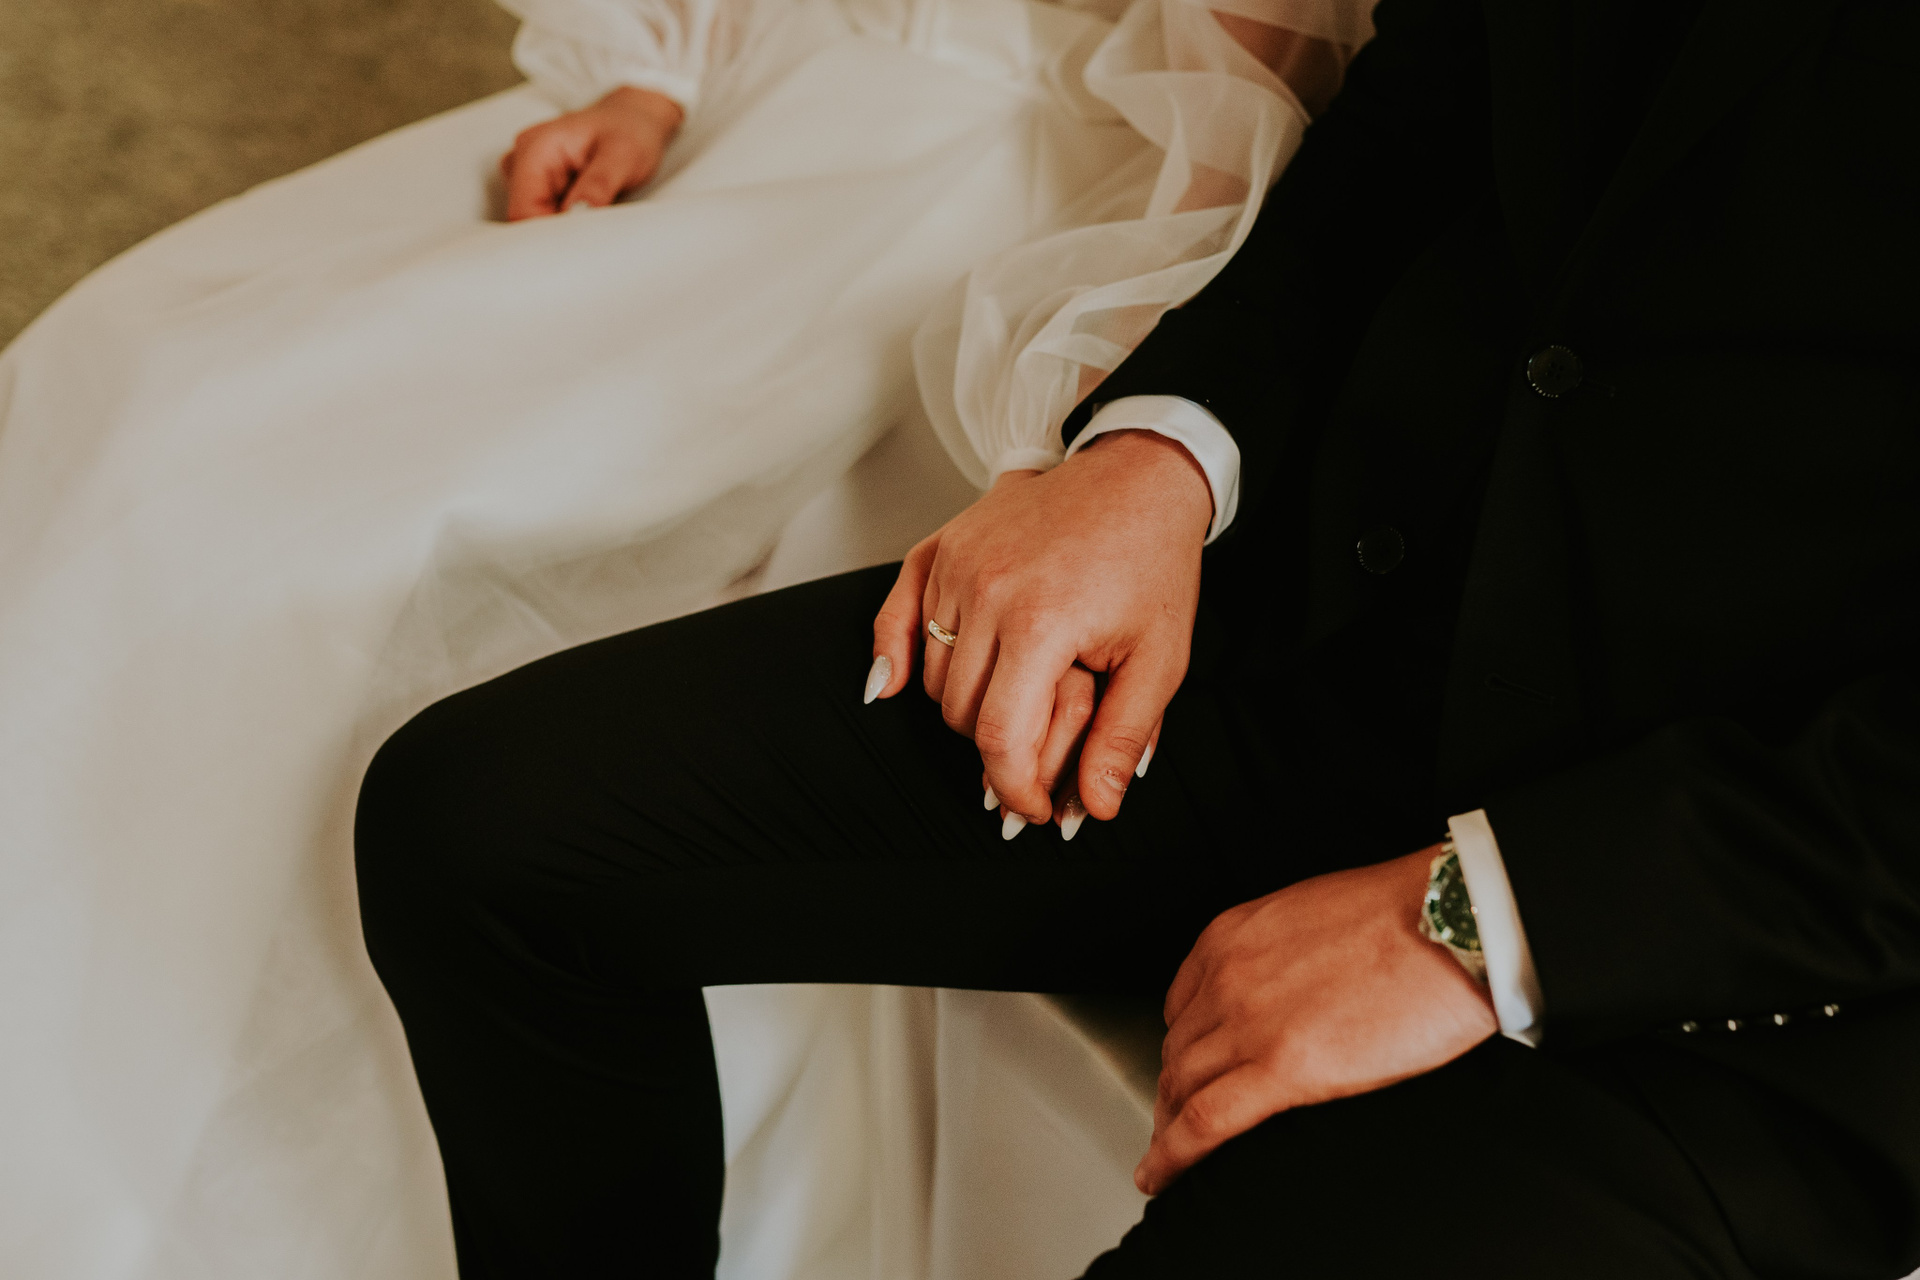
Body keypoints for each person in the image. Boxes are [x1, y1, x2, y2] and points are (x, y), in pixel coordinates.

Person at [355, 0, 1920, 1274]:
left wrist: (1482, 922)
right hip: (1361, 633)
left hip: (1757, 922)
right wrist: (1163, 451)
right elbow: (1429, 114)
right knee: (483, 831)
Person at [0, 0, 1371, 1274]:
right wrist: (657, 64)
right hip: (768, 93)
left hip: (1051, 217)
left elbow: (1254, 106)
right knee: (145, 395)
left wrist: (1090, 415)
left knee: (360, 554)